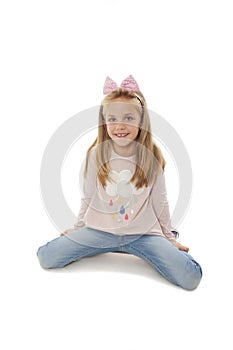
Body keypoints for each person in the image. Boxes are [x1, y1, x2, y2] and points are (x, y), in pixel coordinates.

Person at [37, 75, 202, 290]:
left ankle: (132, 248)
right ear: (104, 122)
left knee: (191, 278)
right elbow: (88, 197)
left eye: (128, 118)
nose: (120, 125)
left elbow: (160, 202)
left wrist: (169, 240)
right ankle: (114, 246)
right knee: (47, 257)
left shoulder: (151, 156)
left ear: (141, 121)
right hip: (100, 232)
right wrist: (77, 228)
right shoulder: (96, 154)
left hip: (143, 235)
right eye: (112, 119)